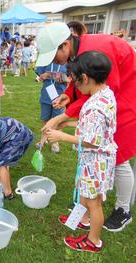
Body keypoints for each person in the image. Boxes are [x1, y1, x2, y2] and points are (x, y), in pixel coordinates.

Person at [37, 22, 136, 232]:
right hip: (111, 101)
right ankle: (84, 213)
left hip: (126, 100)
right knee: (101, 161)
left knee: (118, 156)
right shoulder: (80, 53)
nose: (56, 62)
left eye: (55, 56)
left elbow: (100, 91)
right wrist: (69, 96)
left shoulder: (98, 54)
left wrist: (62, 119)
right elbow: (81, 82)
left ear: (65, 45)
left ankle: (123, 209)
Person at [46, 51, 117, 253]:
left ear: (85, 78)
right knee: (86, 196)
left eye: (76, 81)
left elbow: (92, 141)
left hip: (96, 161)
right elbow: (92, 127)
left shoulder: (95, 106)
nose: (75, 86)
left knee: (94, 202)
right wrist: (68, 123)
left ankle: (93, 241)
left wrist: (61, 137)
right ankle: (82, 220)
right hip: (94, 161)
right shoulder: (105, 94)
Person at [35, 62, 68, 153]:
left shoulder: (67, 63)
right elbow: (40, 75)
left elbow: (69, 79)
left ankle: (55, 142)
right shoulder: (47, 60)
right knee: (45, 118)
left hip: (60, 96)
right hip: (46, 95)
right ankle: (43, 139)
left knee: (57, 119)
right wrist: (43, 75)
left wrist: (50, 75)